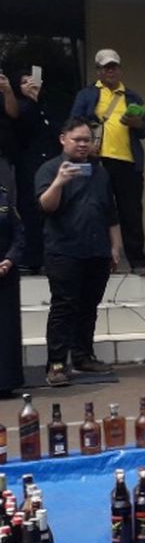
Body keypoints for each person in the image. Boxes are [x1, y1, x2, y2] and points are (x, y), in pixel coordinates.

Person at [36, 118, 123, 386]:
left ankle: (83, 356)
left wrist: (115, 246)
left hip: (97, 250)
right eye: (78, 139)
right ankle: (57, 364)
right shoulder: (50, 168)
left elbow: (110, 211)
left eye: (88, 139)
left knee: (89, 307)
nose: (84, 144)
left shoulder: (100, 171)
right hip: (64, 250)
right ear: (63, 139)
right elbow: (45, 206)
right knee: (63, 307)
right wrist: (60, 182)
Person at [70, 49, 145, 274]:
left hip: (128, 161)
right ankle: (99, 260)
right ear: (98, 71)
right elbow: (73, 123)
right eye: (106, 67)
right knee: (95, 209)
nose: (111, 71)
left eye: (114, 66)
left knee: (131, 212)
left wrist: (137, 124)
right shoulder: (86, 95)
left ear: (120, 69)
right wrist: (88, 140)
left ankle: (138, 261)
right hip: (97, 160)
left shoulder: (132, 96)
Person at [3, 70, 60, 274]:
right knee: (29, 209)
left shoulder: (49, 106)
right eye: (24, 82)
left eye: (32, 81)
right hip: (28, 166)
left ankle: (50, 256)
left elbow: (58, 133)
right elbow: (23, 128)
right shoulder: (21, 107)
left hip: (51, 164)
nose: (29, 84)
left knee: (52, 211)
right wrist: (31, 100)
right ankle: (32, 258)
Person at [0, 163, 23, 397]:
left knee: (6, 332)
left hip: (5, 273)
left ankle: (6, 382)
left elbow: (19, 233)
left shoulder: (4, 198)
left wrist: (9, 259)